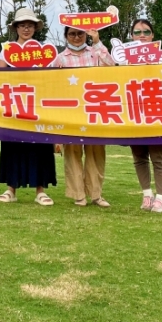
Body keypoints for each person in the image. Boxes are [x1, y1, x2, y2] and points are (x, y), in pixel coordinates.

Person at [0, 8, 56, 206]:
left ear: (35, 28)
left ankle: (41, 191)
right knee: (12, 146)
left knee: (40, 146)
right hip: (14, 105)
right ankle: (11, 189)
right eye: (22, 25)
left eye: (30, 25)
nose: (26, 29)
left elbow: (51, 78)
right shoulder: (7, 50)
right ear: (16, 28)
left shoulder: (44, 51)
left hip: (37, 106)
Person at [51, 25, 115, 207]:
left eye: (80, 33)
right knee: (72, 153)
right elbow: (52, 85)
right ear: (66, 36)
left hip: (95, 109)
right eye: (72, 34)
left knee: (96, 153)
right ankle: (78, 195)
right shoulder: (60, 58)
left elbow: (111, 66)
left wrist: (97, 41)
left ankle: (96, 195)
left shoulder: (95, 52)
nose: (76, 37)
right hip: (70, 112)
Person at [125, 19, 162, 213]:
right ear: (131, 36)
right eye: (137, 32)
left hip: (157, 112)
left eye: (146, 32)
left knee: (159, 156)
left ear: (153, 35)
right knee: (139, 156)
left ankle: (160, 198)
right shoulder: (124, 60)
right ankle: (147, 194)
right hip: (134, 112)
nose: (141, 36)